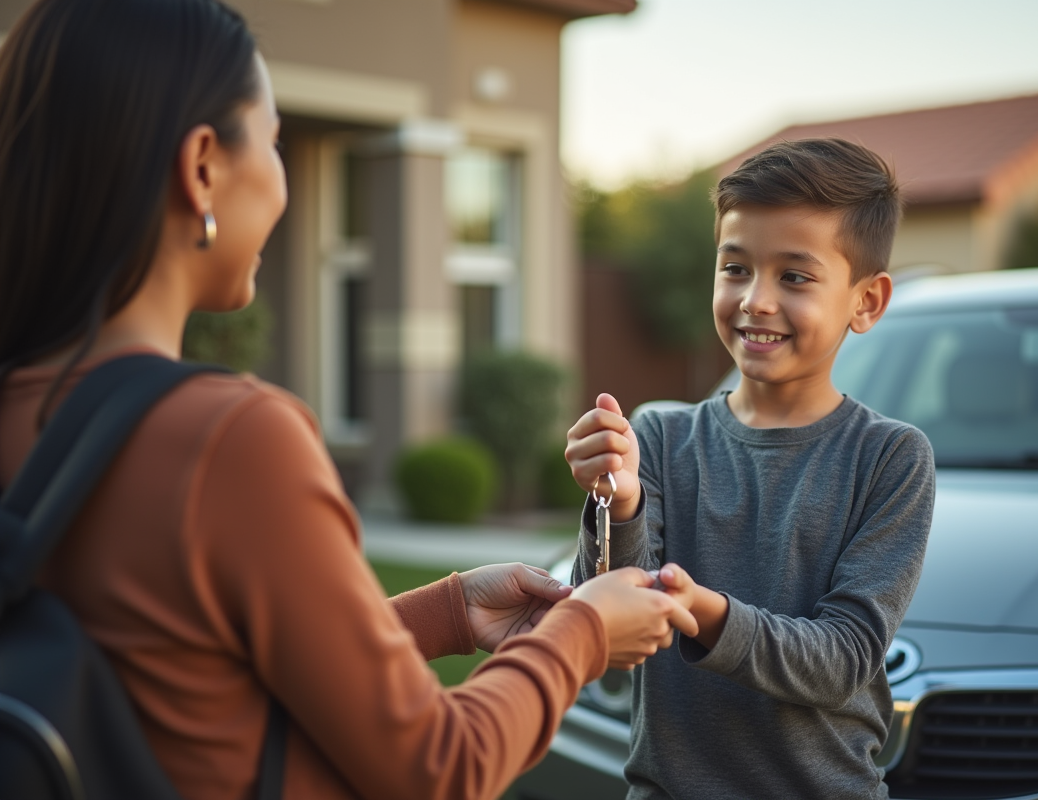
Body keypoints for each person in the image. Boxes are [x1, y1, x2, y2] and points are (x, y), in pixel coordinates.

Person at [0, 1, 698, 799]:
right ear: (201, 168)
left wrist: (446, 613)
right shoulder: (229, 440)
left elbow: (183, 668)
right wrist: (584, 630)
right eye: (272, 142)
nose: (282, 183)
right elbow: (440, 766)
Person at [566, 139, 937, 799]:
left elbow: (843, 659)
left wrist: (702, 612)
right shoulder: (658, 436)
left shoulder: (889, 458)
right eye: (735, 268)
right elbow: (608, 642)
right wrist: (617, 506)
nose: (756, 300)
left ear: (867, 302)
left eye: (794, 276)